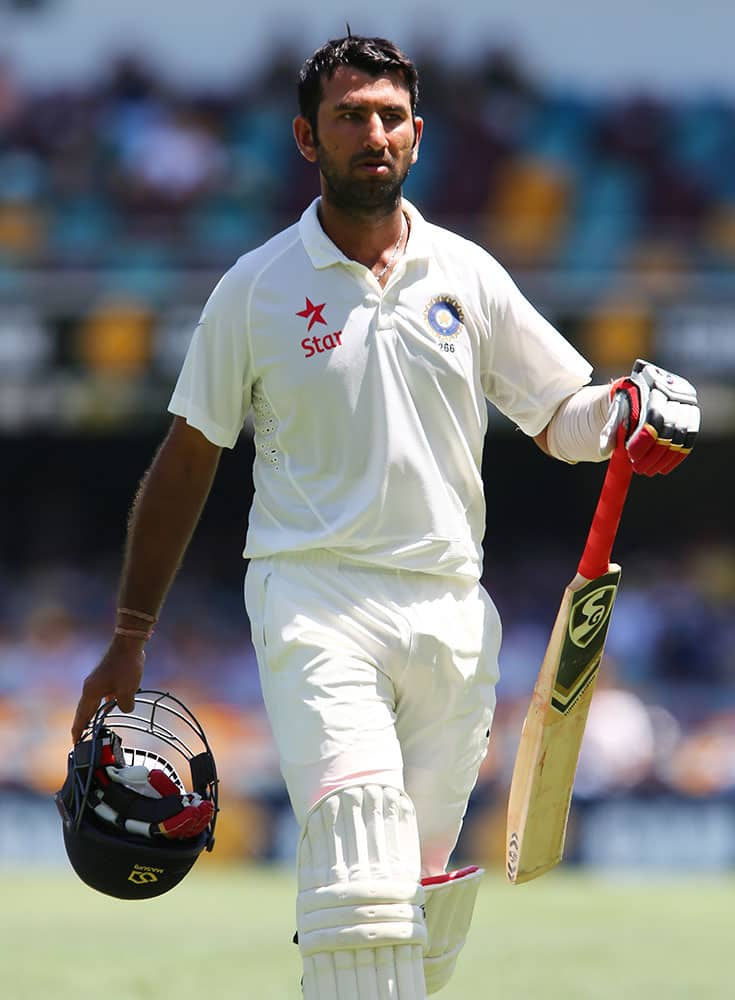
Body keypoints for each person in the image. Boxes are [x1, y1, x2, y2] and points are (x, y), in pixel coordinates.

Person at [71, 34, 700, 999]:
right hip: (314, 596)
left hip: (451, 608)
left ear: (417, 133)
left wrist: (625, 412)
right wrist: (129, 636)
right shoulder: (255, 287)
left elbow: (560, 416)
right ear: (304, 137)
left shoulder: (467, 273)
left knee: (413, 906)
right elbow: (187, 460)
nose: (374, 133)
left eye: (391, 116)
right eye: (350, 116)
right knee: (361, 859)